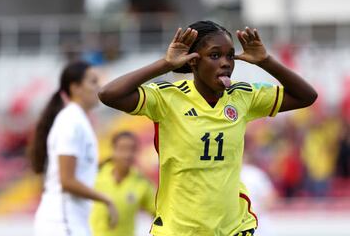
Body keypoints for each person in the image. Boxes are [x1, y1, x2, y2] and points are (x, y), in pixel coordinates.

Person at [98, 20, 317, 235]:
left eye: (230, 56)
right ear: (193, 61)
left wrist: (266, 61)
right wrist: (165, 64)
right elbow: (108, 94)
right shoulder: (167, 98)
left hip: (233, 229)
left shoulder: (242, 97)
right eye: (215, 55)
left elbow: (307, 96)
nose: (226, 63)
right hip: (178, 230)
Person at [28, 61, 118, 236]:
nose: (98, 87)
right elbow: (67, 180)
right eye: (93, 82)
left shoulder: (78, 120)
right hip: (61, 223)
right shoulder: (71, 121)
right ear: (75, 87)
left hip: (72, 221)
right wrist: (106, 200)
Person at [90, 131, 156, 236]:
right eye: (123, 149)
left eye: (132, 150)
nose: (127, 154)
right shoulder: (96, 174)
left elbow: (158, 212)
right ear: (113, 150)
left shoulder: (141, 182)